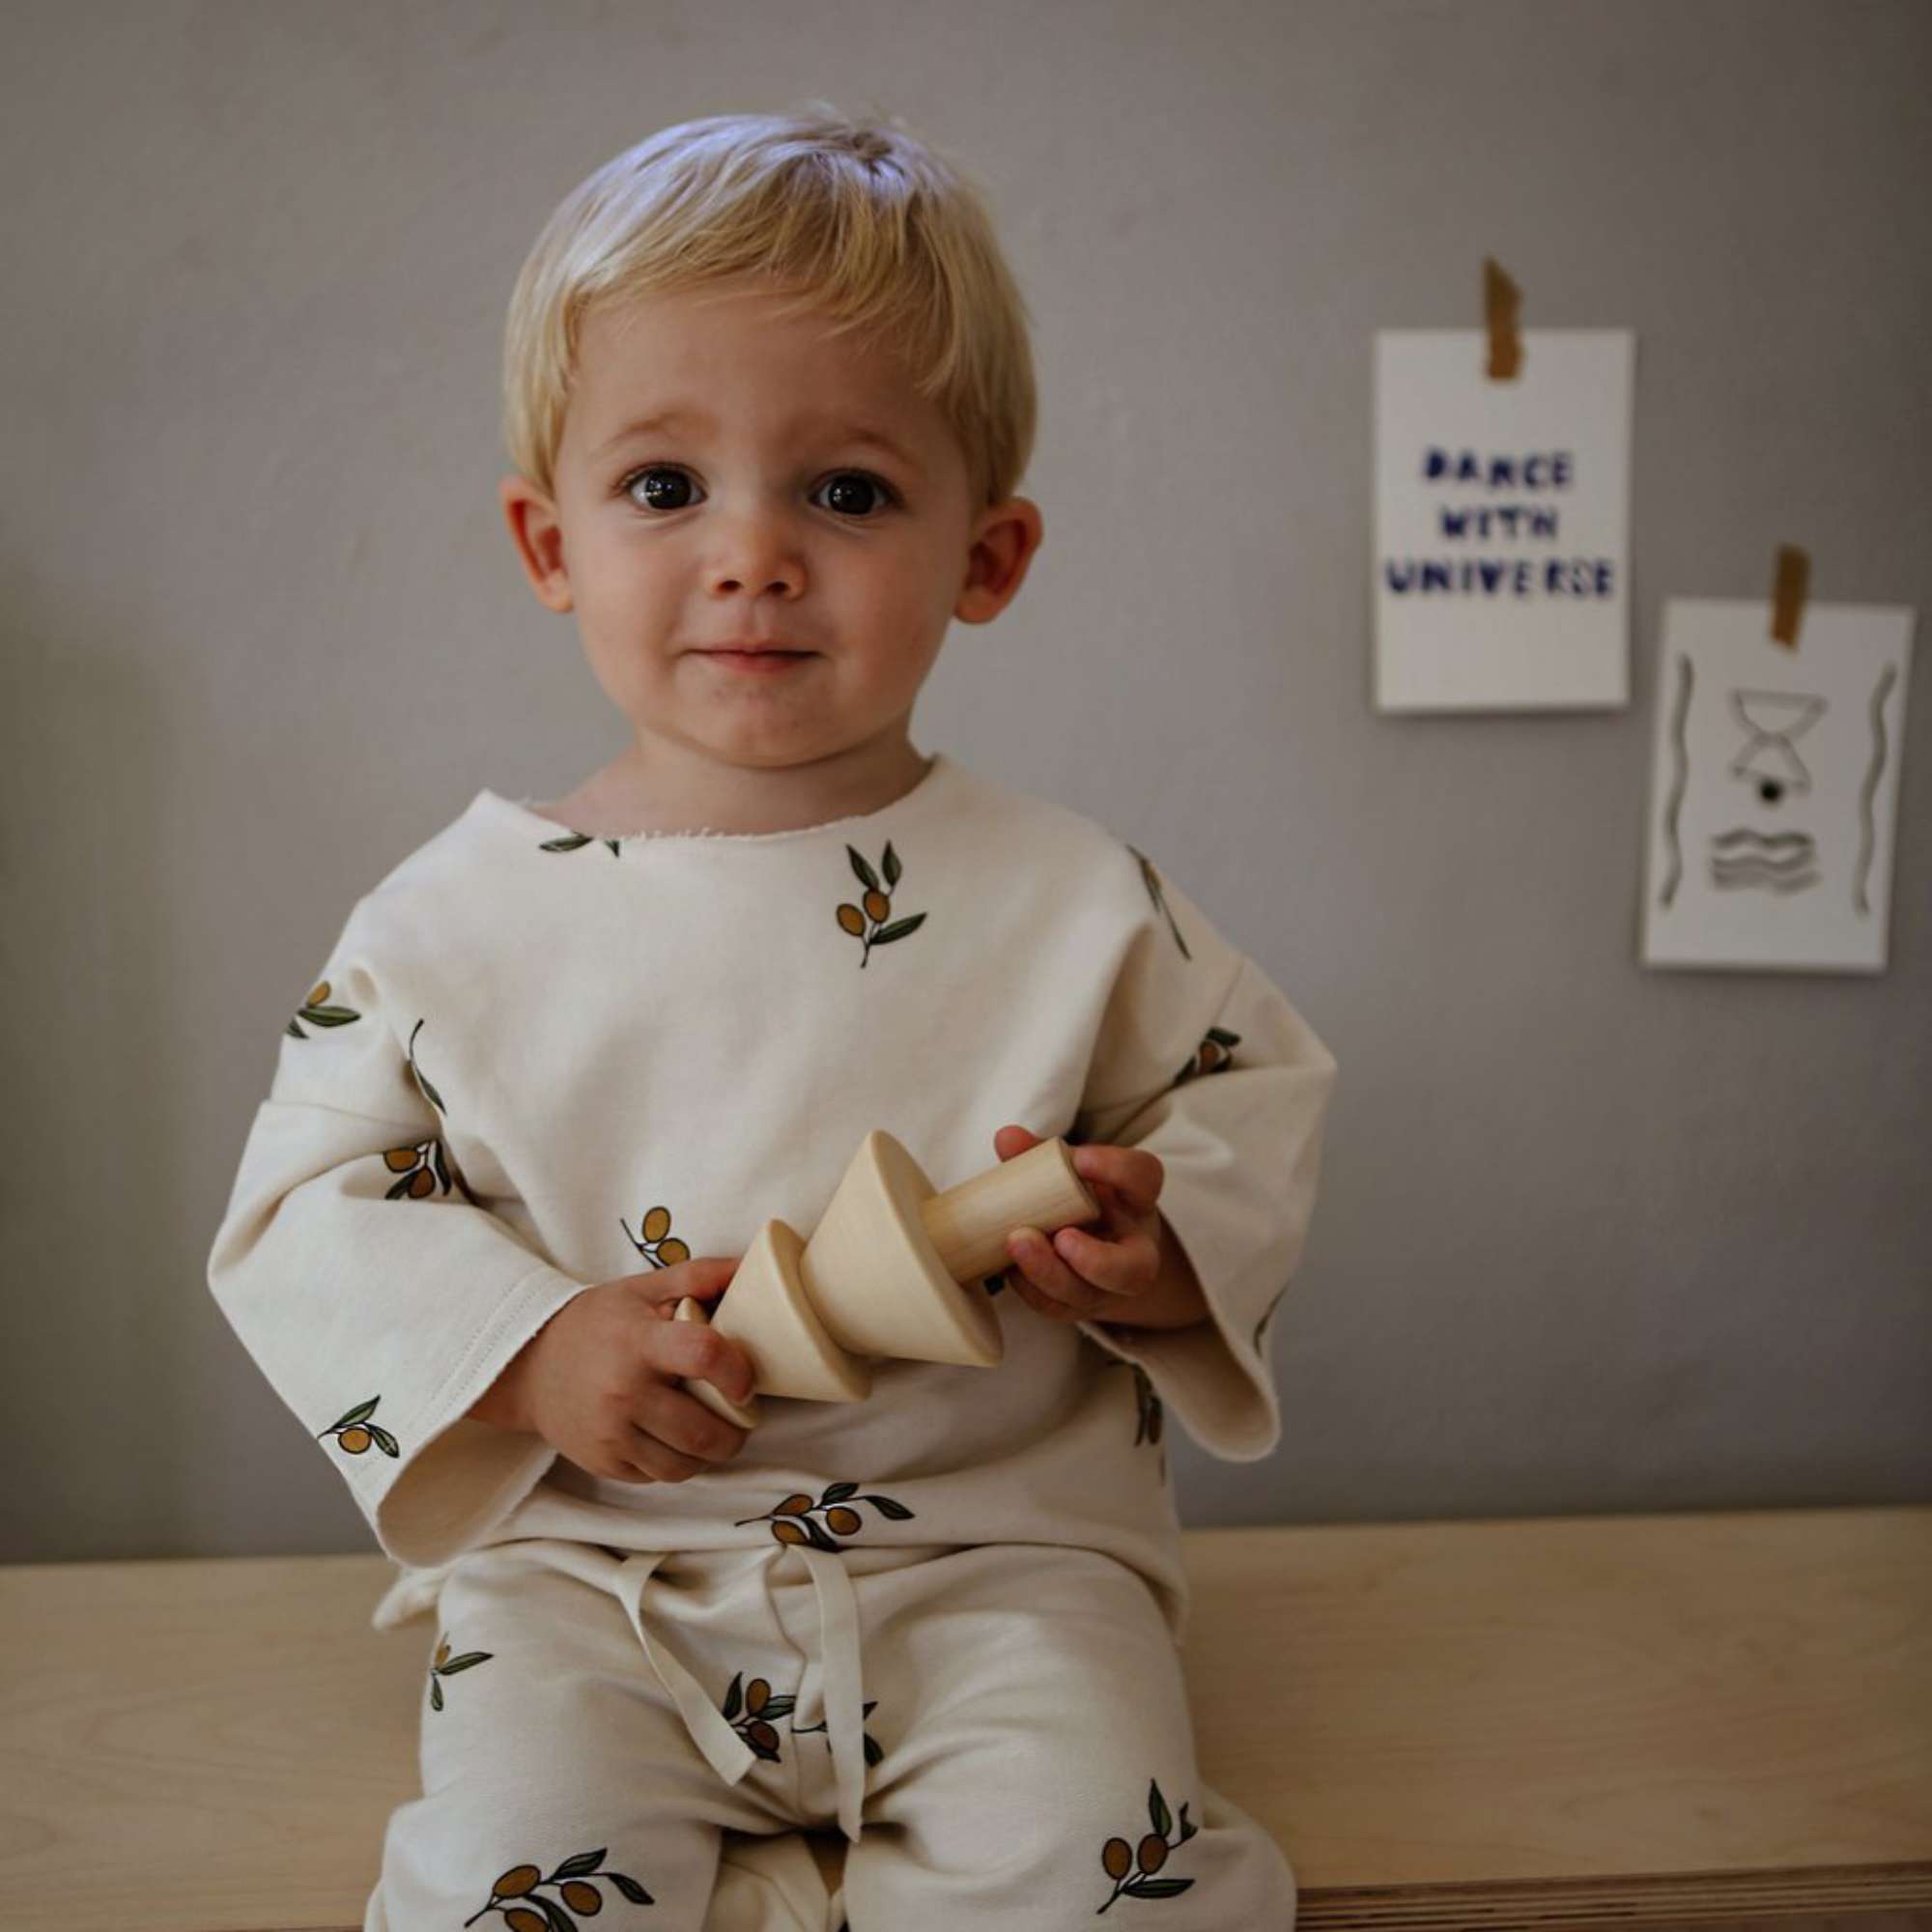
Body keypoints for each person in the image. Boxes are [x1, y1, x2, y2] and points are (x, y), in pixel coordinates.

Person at [206, 103, 1339, 1932]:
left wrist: (1158, 1247)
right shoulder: (444, 926)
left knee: (1103, 1885)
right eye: (665, 488)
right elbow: (304, 1208)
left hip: (1000, 1567)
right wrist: (530, 1352)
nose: (752, 554)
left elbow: (1247, 1095)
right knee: (515, 1893)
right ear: (547, 538)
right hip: (588, 1583)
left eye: (850, 491)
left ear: (990, 555)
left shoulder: (1074, 900)